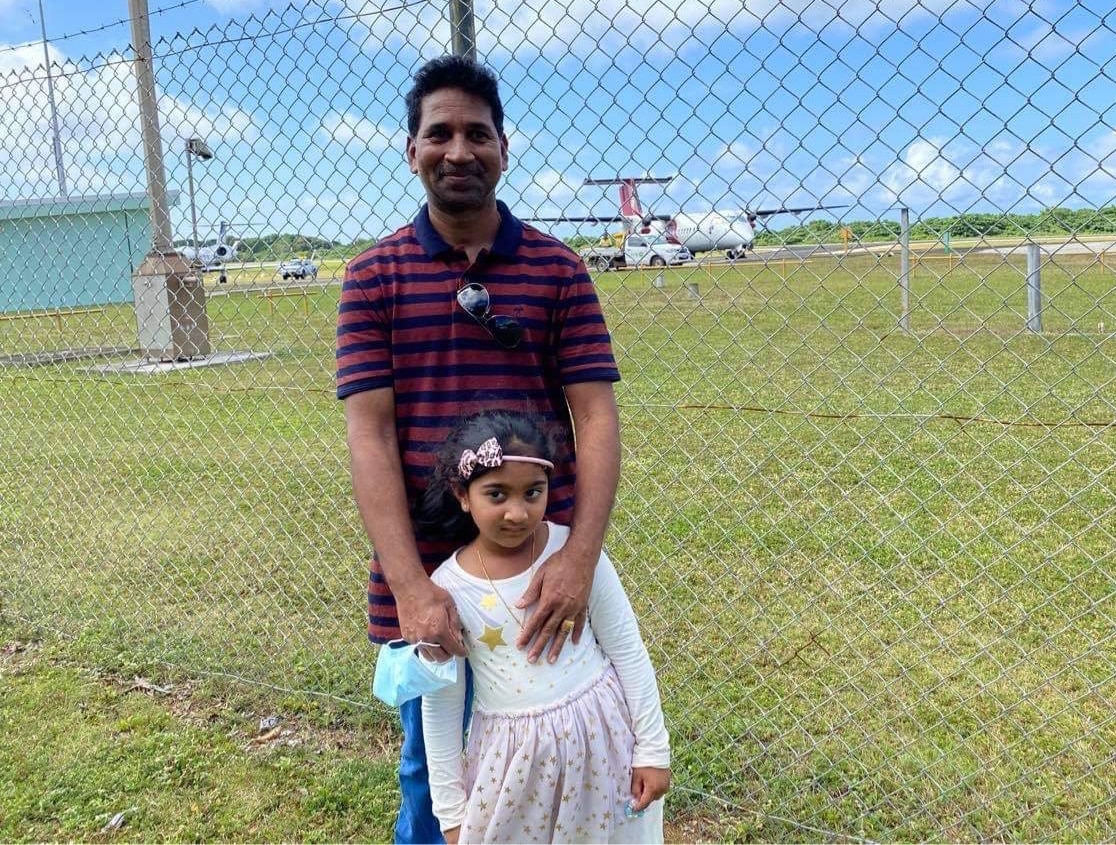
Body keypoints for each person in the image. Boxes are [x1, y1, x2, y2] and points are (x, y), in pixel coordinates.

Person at [336, 54, 622, 843]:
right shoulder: (373, 278)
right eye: (439, 133)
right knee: (440, 785)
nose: (458, 149)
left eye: (477, 133)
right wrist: (411, 591)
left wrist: (578, 562)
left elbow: (596, 419)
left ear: (504, 148)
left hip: (542, 584)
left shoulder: (557, 270)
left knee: (562, 760)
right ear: (411, 150)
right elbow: (370, 435)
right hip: (434, 584)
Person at [414, 410, 670, 844]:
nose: (518, 513)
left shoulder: (573, 556)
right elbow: (441, 706)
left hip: (603, 747)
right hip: (512, 769)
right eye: (497, 494)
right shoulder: (445, 590)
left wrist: (653, 748)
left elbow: (627, 648)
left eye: (533, 492)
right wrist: (451, 814)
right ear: (462, 494)